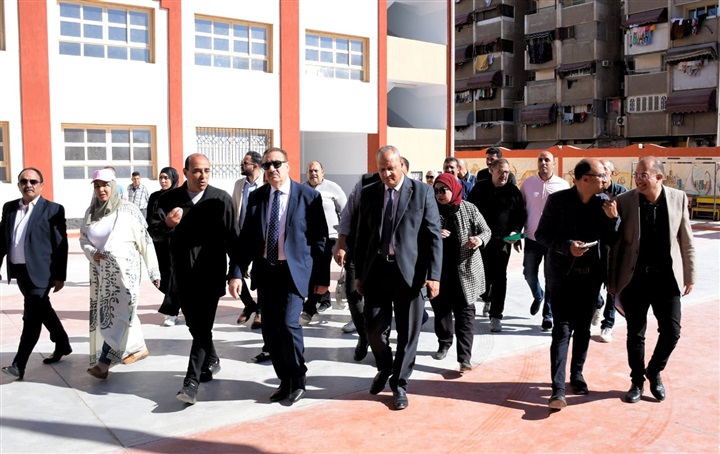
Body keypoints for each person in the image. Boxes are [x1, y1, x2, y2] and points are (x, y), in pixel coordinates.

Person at [229, 147, 330, 405]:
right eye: (267, 165)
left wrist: (322, 279)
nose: (272, 169)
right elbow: (246, 239)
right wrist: (236, 273)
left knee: (288, 324)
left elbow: (320, 240)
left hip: (293, 272)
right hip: (266, 271)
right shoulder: (258, 197)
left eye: (276, 164)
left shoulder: (308, 197)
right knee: (271, 330)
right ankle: (284, 380)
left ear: (287, 165)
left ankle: (298, 377)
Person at [354, 145, 442, 411]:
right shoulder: (369, 192)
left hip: (410, 274)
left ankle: (400, 384)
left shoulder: (422, 192)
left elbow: (433, 235)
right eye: (381, 169)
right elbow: (362, 236)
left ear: (401, 165)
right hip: (377, 271)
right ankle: (385, 366)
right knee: (373, 330)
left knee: (408, 333)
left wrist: (434, 276)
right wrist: (358, 274)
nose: (386, 174)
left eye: (390, 168)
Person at [150, 153, 238, 405]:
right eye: (197, 171)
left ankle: (191, 383)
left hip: (211, 274)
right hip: (182, 274)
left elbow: (233, 238)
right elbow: (154, 233)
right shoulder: (168, 199)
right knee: (194, 324)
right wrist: (167, 224)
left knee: (202, 328)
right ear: (186, 172)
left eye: (207, 171)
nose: (203, 176)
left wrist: (235, 273)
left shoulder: (221, 199)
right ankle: (212, 359)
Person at [608, 156, 695, 404]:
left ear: (659, 177)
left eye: (643, 175)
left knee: (672, 331)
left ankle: (654, 371)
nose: (638, 180)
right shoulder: (625, 201)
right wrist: (612, 281)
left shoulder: (678, 198)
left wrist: (690, 275)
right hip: (634, 278)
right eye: (636, 175)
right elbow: (616, 246)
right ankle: (637, 381)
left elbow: (686, 240)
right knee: (635, 334)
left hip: (667, 279)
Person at [535, 158, 619, 410]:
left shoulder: (604, 203)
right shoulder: (558, 201)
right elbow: (542, 234)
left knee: (583, 329)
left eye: (605, 175)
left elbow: (613, 240)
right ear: (584, 179)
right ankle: (558, 389)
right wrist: (567, 246)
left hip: (591, 277)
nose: (605, 179)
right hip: (562, 277)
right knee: (562, 330)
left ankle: (577, 375)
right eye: (600, 175)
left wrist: (613, 219)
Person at [80, 169, 160, 380]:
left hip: (126, 274)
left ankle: (103, 363)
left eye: (105, 185)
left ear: (114, 186)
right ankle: (138, 347)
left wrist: (153, 271)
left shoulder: (128, 210)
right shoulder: (91, 212)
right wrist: (91, 252)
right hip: (101, 276)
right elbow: (83, 238)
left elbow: (145, 240)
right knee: (119, 314)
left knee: (119, 315)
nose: (101, 190)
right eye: (97, 186)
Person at [0, 168, 72, 380]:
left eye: (33, 181)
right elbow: (1, 240)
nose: (28, 185)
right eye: (24, 181)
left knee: (31, 316)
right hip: (19, 271)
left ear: (41, 185)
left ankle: (19, 364)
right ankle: (62, 343)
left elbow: (61, 245)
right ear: (19, 185)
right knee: (43, 309)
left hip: (42, 272)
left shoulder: (53, 209)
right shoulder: (9, 208)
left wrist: (59, 275)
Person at [430, 173, 490, 371]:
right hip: (439, 272)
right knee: (441, 312)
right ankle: (444, 342)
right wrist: (435, 234)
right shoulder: (430, 210)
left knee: (465, 314)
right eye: (436, 190)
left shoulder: (469, 208)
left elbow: (486, 231)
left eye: (443, 190)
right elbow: (418, 233)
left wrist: (479, 240)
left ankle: (464, 358)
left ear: (454, 189)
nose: (439, 194)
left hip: (466, 271)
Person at [467, 158, 526, 332]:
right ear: (491, 170)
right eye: (500, 171)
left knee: (500, 278)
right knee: (482, 278)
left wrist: (515, 232)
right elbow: (470, 211)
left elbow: (519, 216)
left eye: (506, 172)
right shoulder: (479, 189)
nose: (503, 175)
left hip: (503, 242)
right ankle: (487, 297)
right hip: (481, 241)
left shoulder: (513, 192)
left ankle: (496, 315)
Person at [518, 151, 569, 331]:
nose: (543, 163)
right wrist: (517, 234)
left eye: (547, 160)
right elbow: (520, 210)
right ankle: (537, 295)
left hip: (552, 241)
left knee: (550, 277)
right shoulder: (527, 184)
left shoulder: (562, 185)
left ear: (554, 163)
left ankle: (548, 315)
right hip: (532, 238)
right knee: (529, 273)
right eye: (540, 160)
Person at [300, 160, 347, 324]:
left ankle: (310, 307)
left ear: (322, 172)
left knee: (321, 266)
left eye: (316, 170)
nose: (313, 173)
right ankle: (322, 301)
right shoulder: (301, 189)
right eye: (310, 171)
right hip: (309, 238)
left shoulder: (333, 188)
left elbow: (345, 212)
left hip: (331, 237)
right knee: (313, 269)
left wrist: (344, 237)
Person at [594, 159, 627, 342]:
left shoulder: (623, 194)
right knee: (591, 285)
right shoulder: (592, 192)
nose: (602, 173)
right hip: (593, 247)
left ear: (612, 173)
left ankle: (608, 325)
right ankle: (597, 304)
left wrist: (614, 217)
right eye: (599, 170)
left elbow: (626, 223)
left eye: (605, 170)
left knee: (612, 289)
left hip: (614, 248)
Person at [231, 151, 265, 330]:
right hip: (242, 237)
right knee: (233, 272)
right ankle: (249, 304)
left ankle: (260, 311)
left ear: (256, 166)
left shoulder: (266, 184)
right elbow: (235, 208)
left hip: (260, 238)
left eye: (245, 162)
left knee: (260, 274)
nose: (241, 165)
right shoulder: (239, 184)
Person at [146, 166, 181, 326]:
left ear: (173, 179)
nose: (163, 180)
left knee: (175, 276)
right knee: (163, 277)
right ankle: (179, 302)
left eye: (166, 178)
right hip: (158, 242)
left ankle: (172, 311)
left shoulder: (179, 196)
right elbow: (149, 219)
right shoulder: (155, 196)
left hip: (174, 242)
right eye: (161, 177)